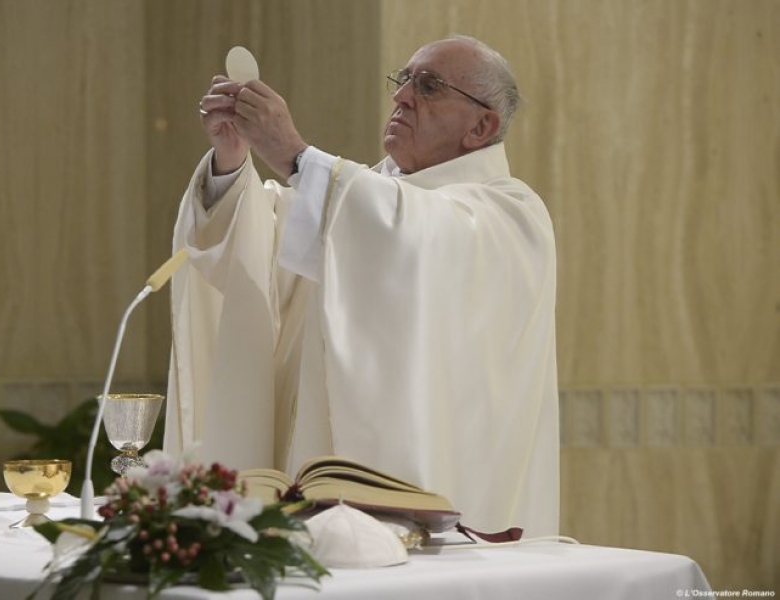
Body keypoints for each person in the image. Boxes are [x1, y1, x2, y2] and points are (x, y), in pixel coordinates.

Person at [164, 35, 559, 537]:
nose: (402, 97)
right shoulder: (364, 196)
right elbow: (263, 250)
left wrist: (293, 154)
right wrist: (231, 161)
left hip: (449, 514)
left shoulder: (507, 214)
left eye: (429, 85)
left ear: (481, 126)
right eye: (404, 79)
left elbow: (411, 238)